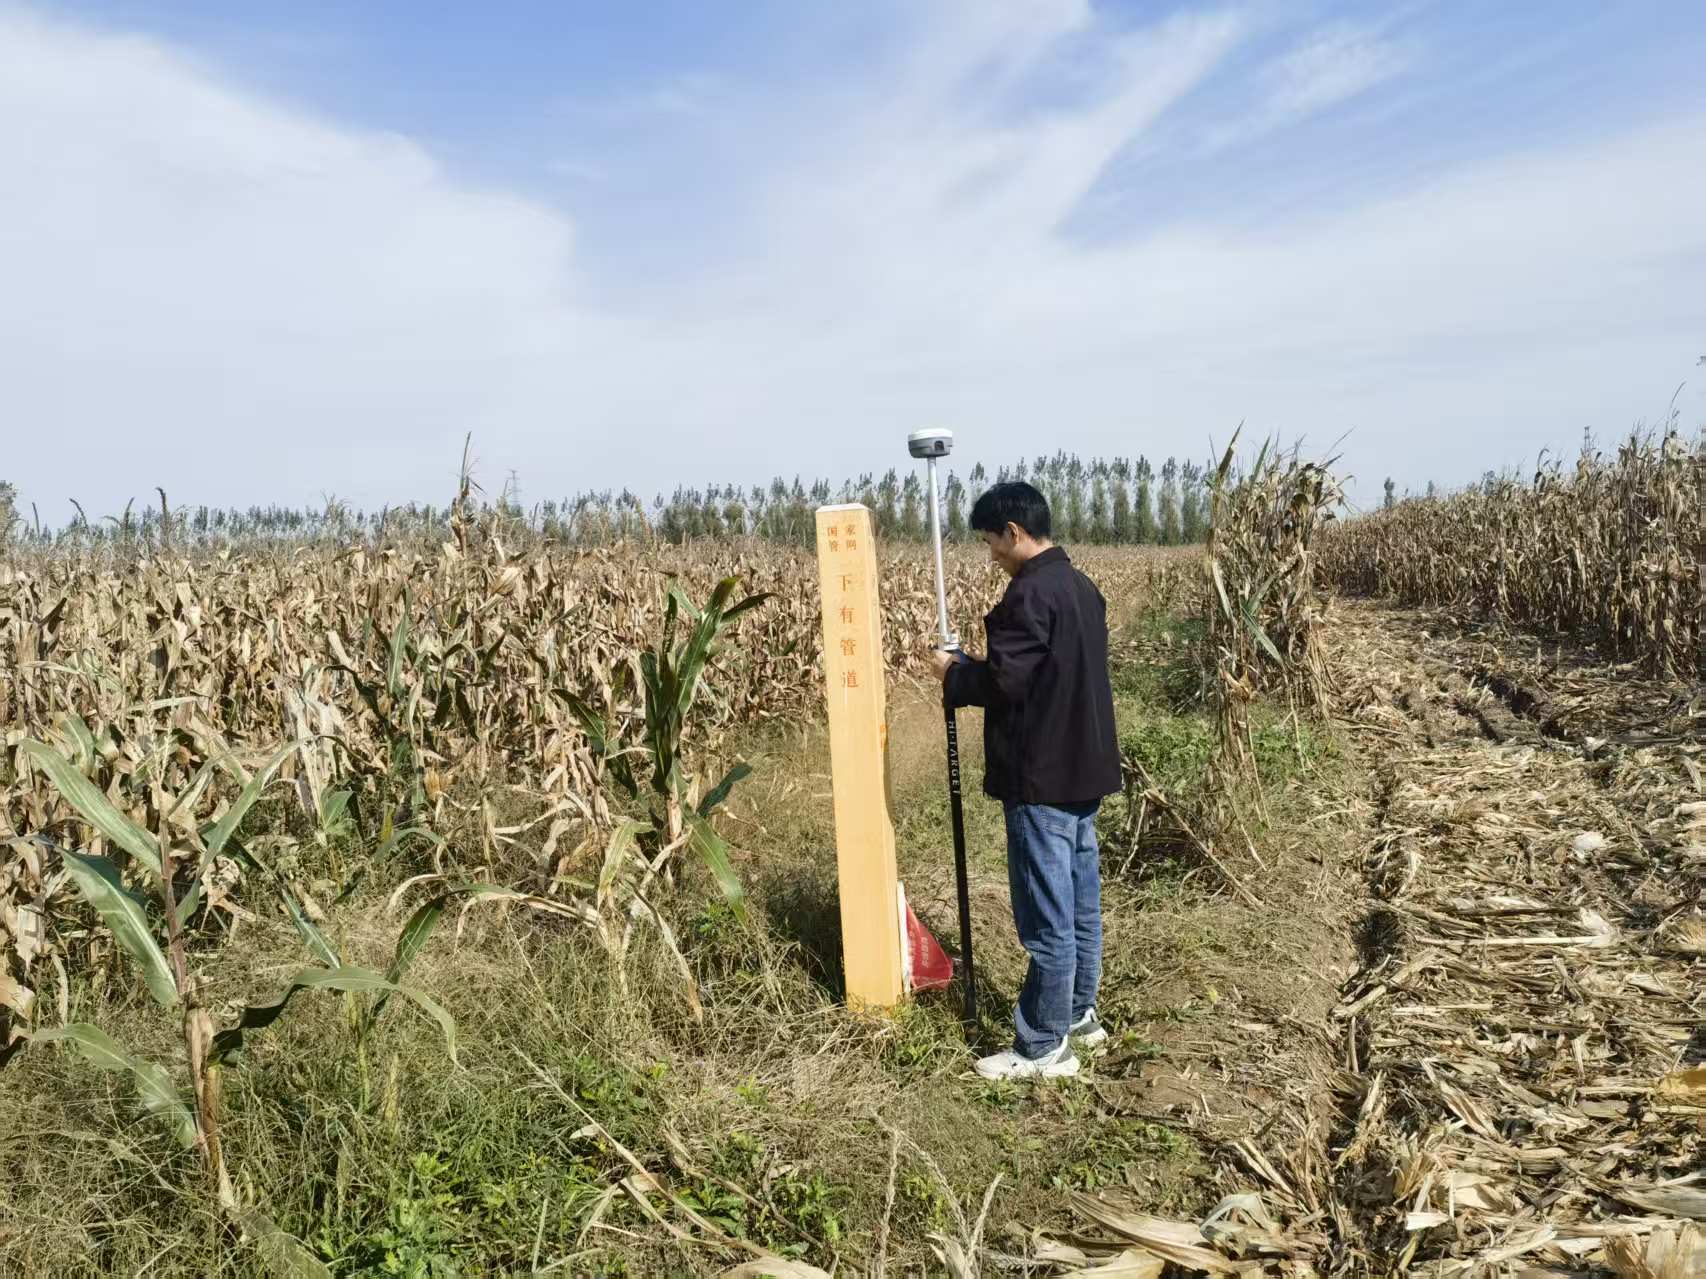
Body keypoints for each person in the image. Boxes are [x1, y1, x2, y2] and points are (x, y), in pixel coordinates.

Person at [929, 481, 1121, 1080]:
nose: (991, 553)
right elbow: (1046, 674)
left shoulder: (1028, 595)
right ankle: (1080, 1016)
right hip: (1083, 769)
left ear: (1014, 532)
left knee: (1046, 916)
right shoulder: (1082, 588)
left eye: (991, 540)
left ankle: (1042, 1046)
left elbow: (1006, 684)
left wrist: (956, 674)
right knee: (1080, 901)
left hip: (1041, 777)